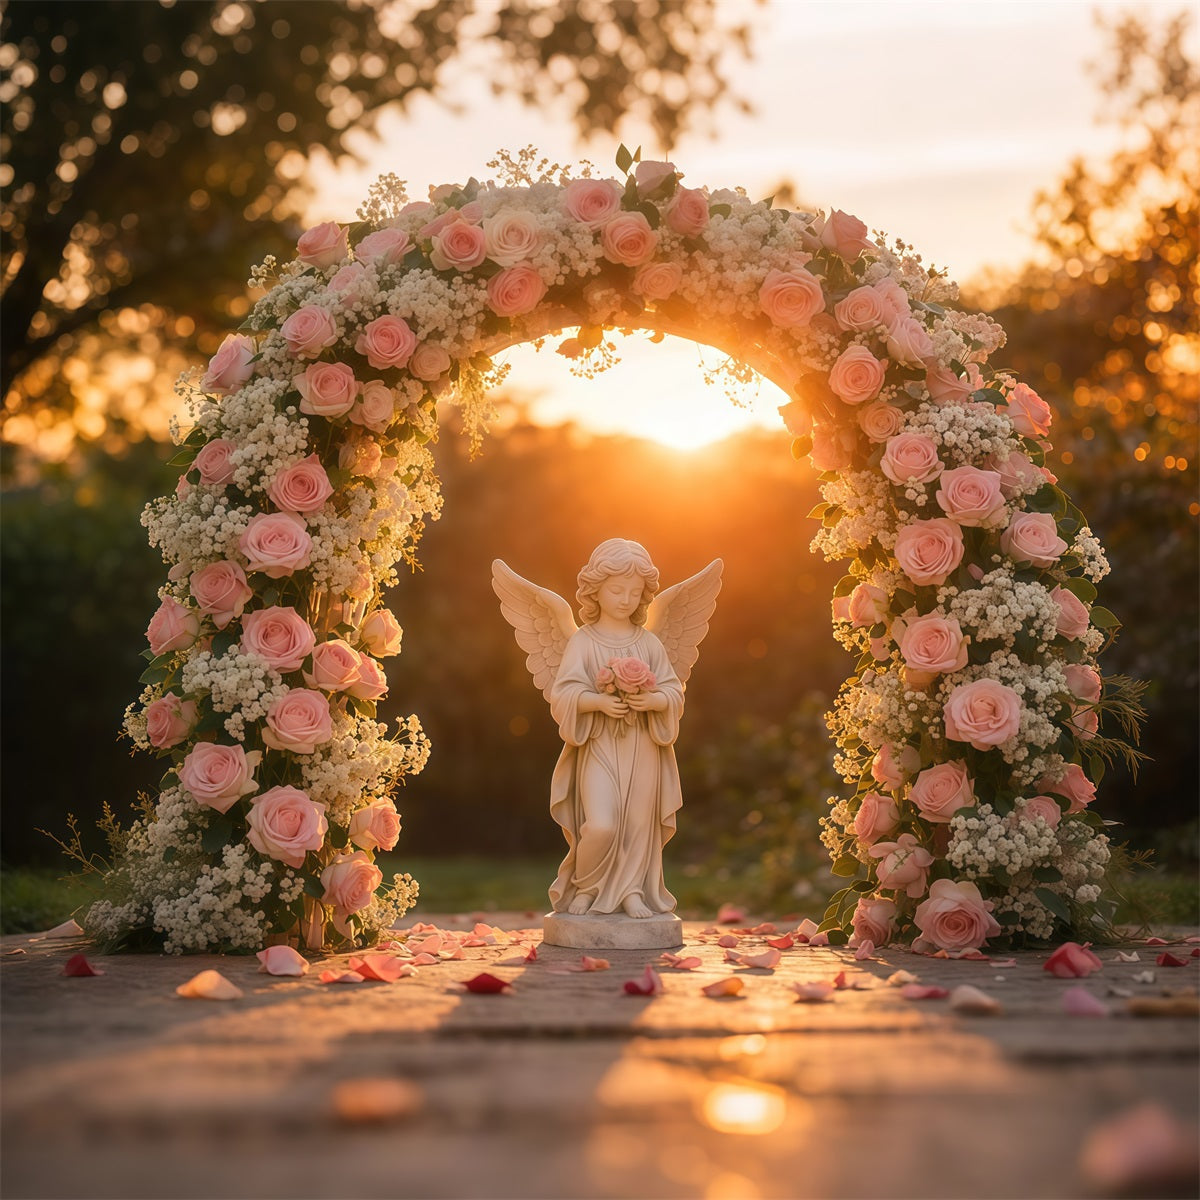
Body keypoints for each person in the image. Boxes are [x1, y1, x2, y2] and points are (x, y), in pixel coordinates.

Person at [547, 538, 685, 918]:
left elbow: (674, 690)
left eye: (635, 592)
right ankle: (586, 886)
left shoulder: (649, 643)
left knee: (638, 824)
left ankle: (632, 892)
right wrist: (597, 701)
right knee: (603, 824)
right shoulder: (583, 641)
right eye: (616, 589)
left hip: (643, 747)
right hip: (599, 745)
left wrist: (655, 701)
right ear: (596, 589)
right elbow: (564, 694)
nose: (626, 599)